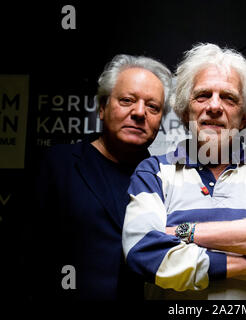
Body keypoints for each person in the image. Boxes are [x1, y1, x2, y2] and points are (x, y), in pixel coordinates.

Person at [122, 43, 246, 300]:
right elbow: (142, 252)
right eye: (202, 95)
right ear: (184, 111)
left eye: (228, 97)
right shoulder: (153, 172)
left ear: (244, 117)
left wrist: (185, 232)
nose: (214, 106)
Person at [30, 54, 172, 300]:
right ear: (103, 108)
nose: (140, 112)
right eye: (127, 100)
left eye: (153, 107)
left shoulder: (166, 178)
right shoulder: (57, 164)